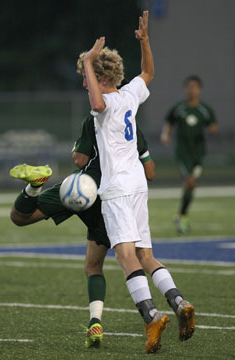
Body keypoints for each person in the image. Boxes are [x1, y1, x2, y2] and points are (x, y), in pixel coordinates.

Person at [78, 10, 194, 354]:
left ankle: (151, 316)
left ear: (98, 76)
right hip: (138, 186)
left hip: (115, 187)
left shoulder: (106, 103)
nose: (84, 81)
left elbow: (97, 102)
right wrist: (145, 42)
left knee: (127, 257)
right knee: (146, 254)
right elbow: (149, 72)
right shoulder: (130, 95)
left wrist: (88, 60)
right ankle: (178, 301)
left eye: (87, 76)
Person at [9, 114, 155, 348]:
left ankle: (34, 186)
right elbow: (149, 171)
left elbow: (79, 158)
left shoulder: (94, 118)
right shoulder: (132, 125)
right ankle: (100, 320)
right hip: (109, 197)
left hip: (80, 185)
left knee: (20, 217)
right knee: (115, 261)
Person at [161, 75, 218, 234]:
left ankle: (181, 216)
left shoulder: (204, 109)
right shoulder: (179, 108)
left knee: (191, 186)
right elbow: (169, 121)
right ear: (185, 89)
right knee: (190, 182)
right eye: (189, 87)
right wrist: (166, 135)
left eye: (195, 87)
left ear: (199, 90)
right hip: (183, 153)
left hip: (199, 153)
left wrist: (212, 130)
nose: (192, 90)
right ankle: (182, 216)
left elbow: (213, 125)